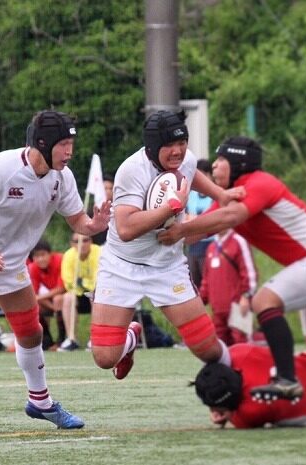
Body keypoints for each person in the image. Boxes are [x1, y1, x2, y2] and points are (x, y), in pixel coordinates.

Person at [159, 136, 306, 422]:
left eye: (221, 160)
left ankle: (286, 379)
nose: (215, 166)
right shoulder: (230, 194)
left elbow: (230, 217)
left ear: (239, 163)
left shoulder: (259, 182)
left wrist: (180, 231)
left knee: (264, 301)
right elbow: (195, 231)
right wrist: (157, 222)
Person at [0, 110, 110, 433]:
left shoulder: (63, 178)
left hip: (11, 266)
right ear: (42, 144)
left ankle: (40, 402)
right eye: (64, 144)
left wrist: (94, 225)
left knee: (32, 334)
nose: (69, 152)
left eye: (72, 143)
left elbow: (78, 221)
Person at [90, 110, 241, 381]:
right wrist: (171, 208)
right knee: (104, 357)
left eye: (182, 143)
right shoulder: (131, 170)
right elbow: (125, 229)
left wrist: (221, 194)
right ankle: (130, 340)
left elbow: (190, 173)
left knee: (207, 348)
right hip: (121, 266)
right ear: (152, 147)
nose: (178, 151)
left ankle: (243, 377)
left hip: (166, 266)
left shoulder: (186, 158)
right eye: (170, 145)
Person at [200, 228, 257, 346]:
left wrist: (246, 296)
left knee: (242, 343)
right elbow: (206, 280)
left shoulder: (238, 241)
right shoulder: (211, 247)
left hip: (238, 306)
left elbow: (249, 273)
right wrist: (200, 302)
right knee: (220, 347)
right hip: (217, 310)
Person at [59, 233, 100, 351]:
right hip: (78, 295)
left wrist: (82, 282)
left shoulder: (99, 252)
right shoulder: (68, 255)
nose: (81, 244)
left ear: (91, 241)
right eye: (77, 241)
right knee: (67, 298)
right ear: (72, 244)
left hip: (97, 294)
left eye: (85, 240)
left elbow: (98, 280)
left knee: (95, 295)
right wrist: (82, 284)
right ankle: (71, 338)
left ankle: (95, 338)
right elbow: (69, 282)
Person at [28, 239, 66, 350]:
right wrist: (52, 308)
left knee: (57, 299)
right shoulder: (33, 267)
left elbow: (61, 288)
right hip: (51, 299)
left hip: (68, 295)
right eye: (37, 256)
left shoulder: (60, 259)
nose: (40, 259)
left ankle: (62, 340)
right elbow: (34, 293)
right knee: (34, 305)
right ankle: (47, 340)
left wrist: (39, 297)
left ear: (50, 254)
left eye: (43, 255)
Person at [186, 159, 215, 288]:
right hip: (192, 245)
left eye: (204, 175)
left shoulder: (215, 195)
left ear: (210, 175)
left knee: (210, 283)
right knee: (193, 284)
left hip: (210, 244)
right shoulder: (191, 195)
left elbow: (213, 220)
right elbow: (185, 217)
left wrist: (194, 220)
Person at [91, 174, 114, 246]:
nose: (108, 191)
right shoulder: (90, 211)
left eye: (111, 189)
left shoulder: (118, 210)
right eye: (105, 188)